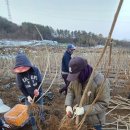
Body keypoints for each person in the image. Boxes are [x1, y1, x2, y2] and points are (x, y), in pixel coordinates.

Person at [65, 57, 110, 130]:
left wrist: (84, 110)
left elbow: (103, 104)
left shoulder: (101, 81)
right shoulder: (76, 79)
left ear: (83, 71)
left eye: (76, 75)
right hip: (80, 119)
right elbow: (70, 90)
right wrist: (68, 105)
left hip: (95, 122)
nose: (75, 78)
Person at [13, 52, 44, 130]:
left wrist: (37, 89)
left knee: (40, 108)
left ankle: (42, 120)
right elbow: (21, 87)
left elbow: (40, 81)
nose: (22, 71)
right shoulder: (19, 74)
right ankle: (33, 124)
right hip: (29, 97)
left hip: (38, 94)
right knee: (30, 112)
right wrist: (27, 96)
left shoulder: (35, 70)